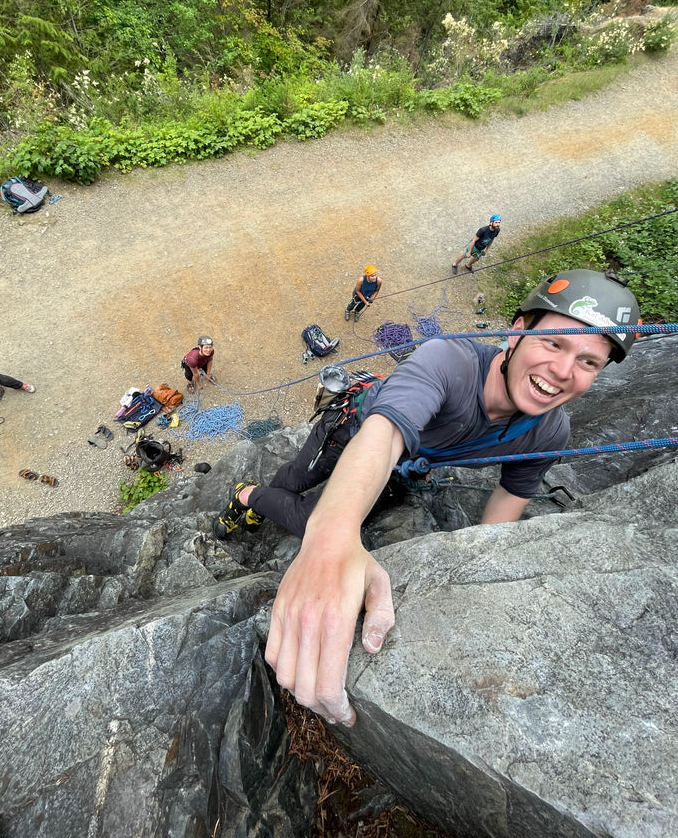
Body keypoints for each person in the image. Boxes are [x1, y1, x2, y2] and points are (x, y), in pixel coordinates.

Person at [215, 270, 641, 726]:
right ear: (516, 332)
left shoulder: (550, 430)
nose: (563, 371)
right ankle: (249, 494)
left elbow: (507, 504)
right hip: (348, 433)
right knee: (298, 479)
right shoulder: (447, 362)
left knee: (305, 517)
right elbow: (384, 433)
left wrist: (470, 583)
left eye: (588, 362)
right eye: (554, 343)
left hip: (403, 466)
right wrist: (332, 540)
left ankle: (254, 498)